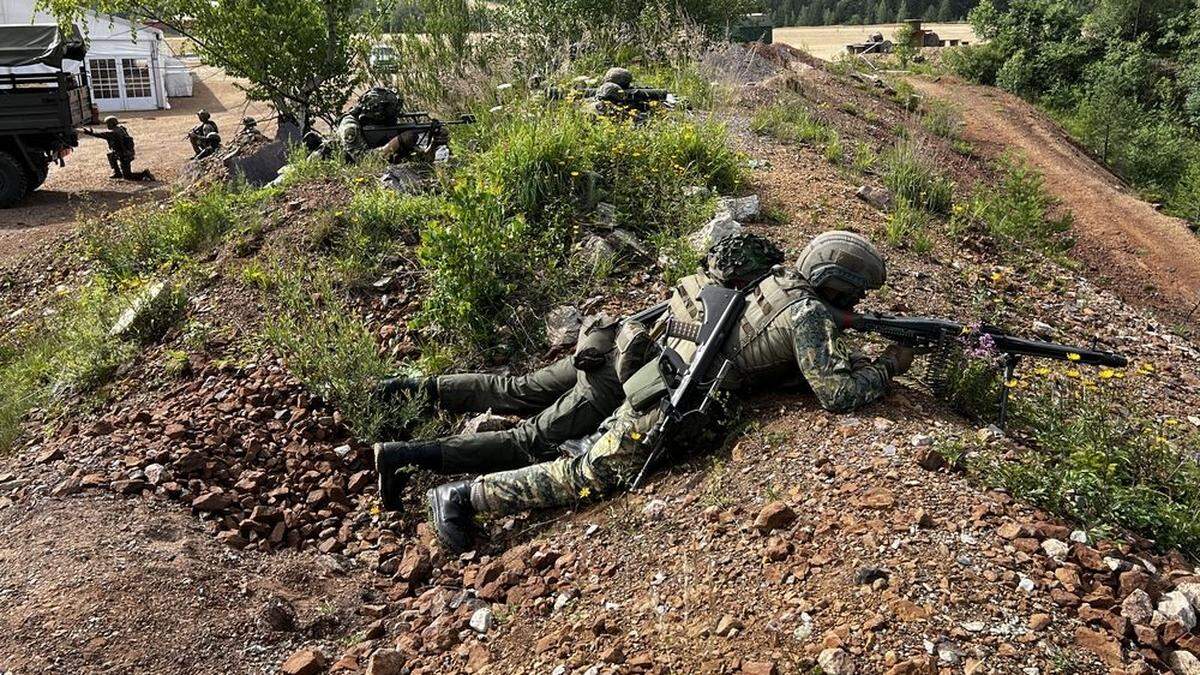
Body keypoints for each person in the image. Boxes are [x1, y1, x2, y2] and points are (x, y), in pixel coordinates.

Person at [411, 230, 916, 553]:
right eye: (857, 292)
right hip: (671, 395)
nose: (860, 301)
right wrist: (889, 367)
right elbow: (837, 394)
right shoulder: (807, 314)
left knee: (541, 415)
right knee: (587, 474)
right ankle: (461, 497)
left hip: (662, 367)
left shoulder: (778, 281)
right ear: (837, 282)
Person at [373, 234, 789, 511]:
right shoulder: (733, 313)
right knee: (528, 440)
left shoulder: (693, 284)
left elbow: (634, 318)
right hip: (612, 384)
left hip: (599, 354)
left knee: (512, 389)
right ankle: (404, 456)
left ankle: (401, 390)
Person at [83, 116, 153, 181]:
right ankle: (117, 173)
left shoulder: (113, 133)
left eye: (108, 124)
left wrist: (89, 133)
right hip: (125, 152)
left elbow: (101, 135)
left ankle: (144, 174)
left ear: (112, 124)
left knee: (127, 176)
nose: (107, 125)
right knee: (111, 155)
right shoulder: (121, 129)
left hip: (125, 155)